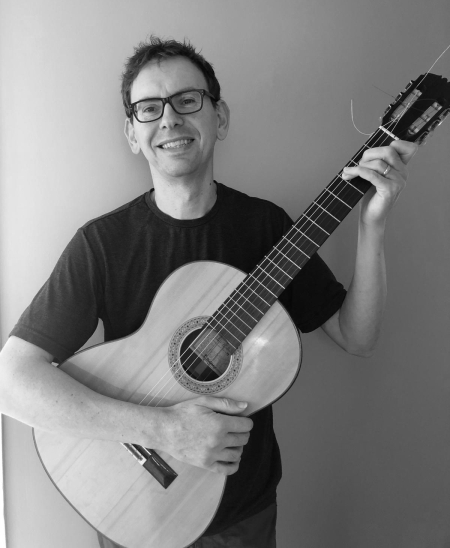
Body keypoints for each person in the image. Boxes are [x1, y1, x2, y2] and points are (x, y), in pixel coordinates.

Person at [0, 36, 417, 548]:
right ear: (132, 133)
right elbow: (11, 383)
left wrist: (373, 224)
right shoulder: (102, 244)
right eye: (148, 108)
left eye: (187, 100)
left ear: (219, 117)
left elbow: (358, 337)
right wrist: (162, 430)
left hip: (243, 514)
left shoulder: (268, 229)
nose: (169, 119)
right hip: (134, 508)